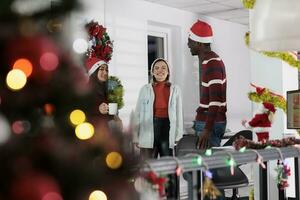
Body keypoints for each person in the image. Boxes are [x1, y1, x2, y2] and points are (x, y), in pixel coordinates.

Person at [133, 58, 183, 199]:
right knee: (147, 168)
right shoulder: (145, 89)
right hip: (148, 130)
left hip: (167, 129)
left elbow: (179, 113)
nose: (160, 71)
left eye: (163, 68)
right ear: (152, 72)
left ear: (168, 72)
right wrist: (136, 136)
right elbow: (138, 113)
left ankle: (172, 197)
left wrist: (178, 135)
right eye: (156, 68)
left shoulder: (175, 89)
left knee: (169, 168)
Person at [187, 20, 227, 149]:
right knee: (206, 167)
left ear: (198, 43)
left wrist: (207, 129)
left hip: (210, 125)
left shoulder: (212, 63)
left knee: (208, 167)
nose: (188, 45)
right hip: (208, 123)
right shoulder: (209, 61)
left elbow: (216, 100)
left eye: (190, 41)